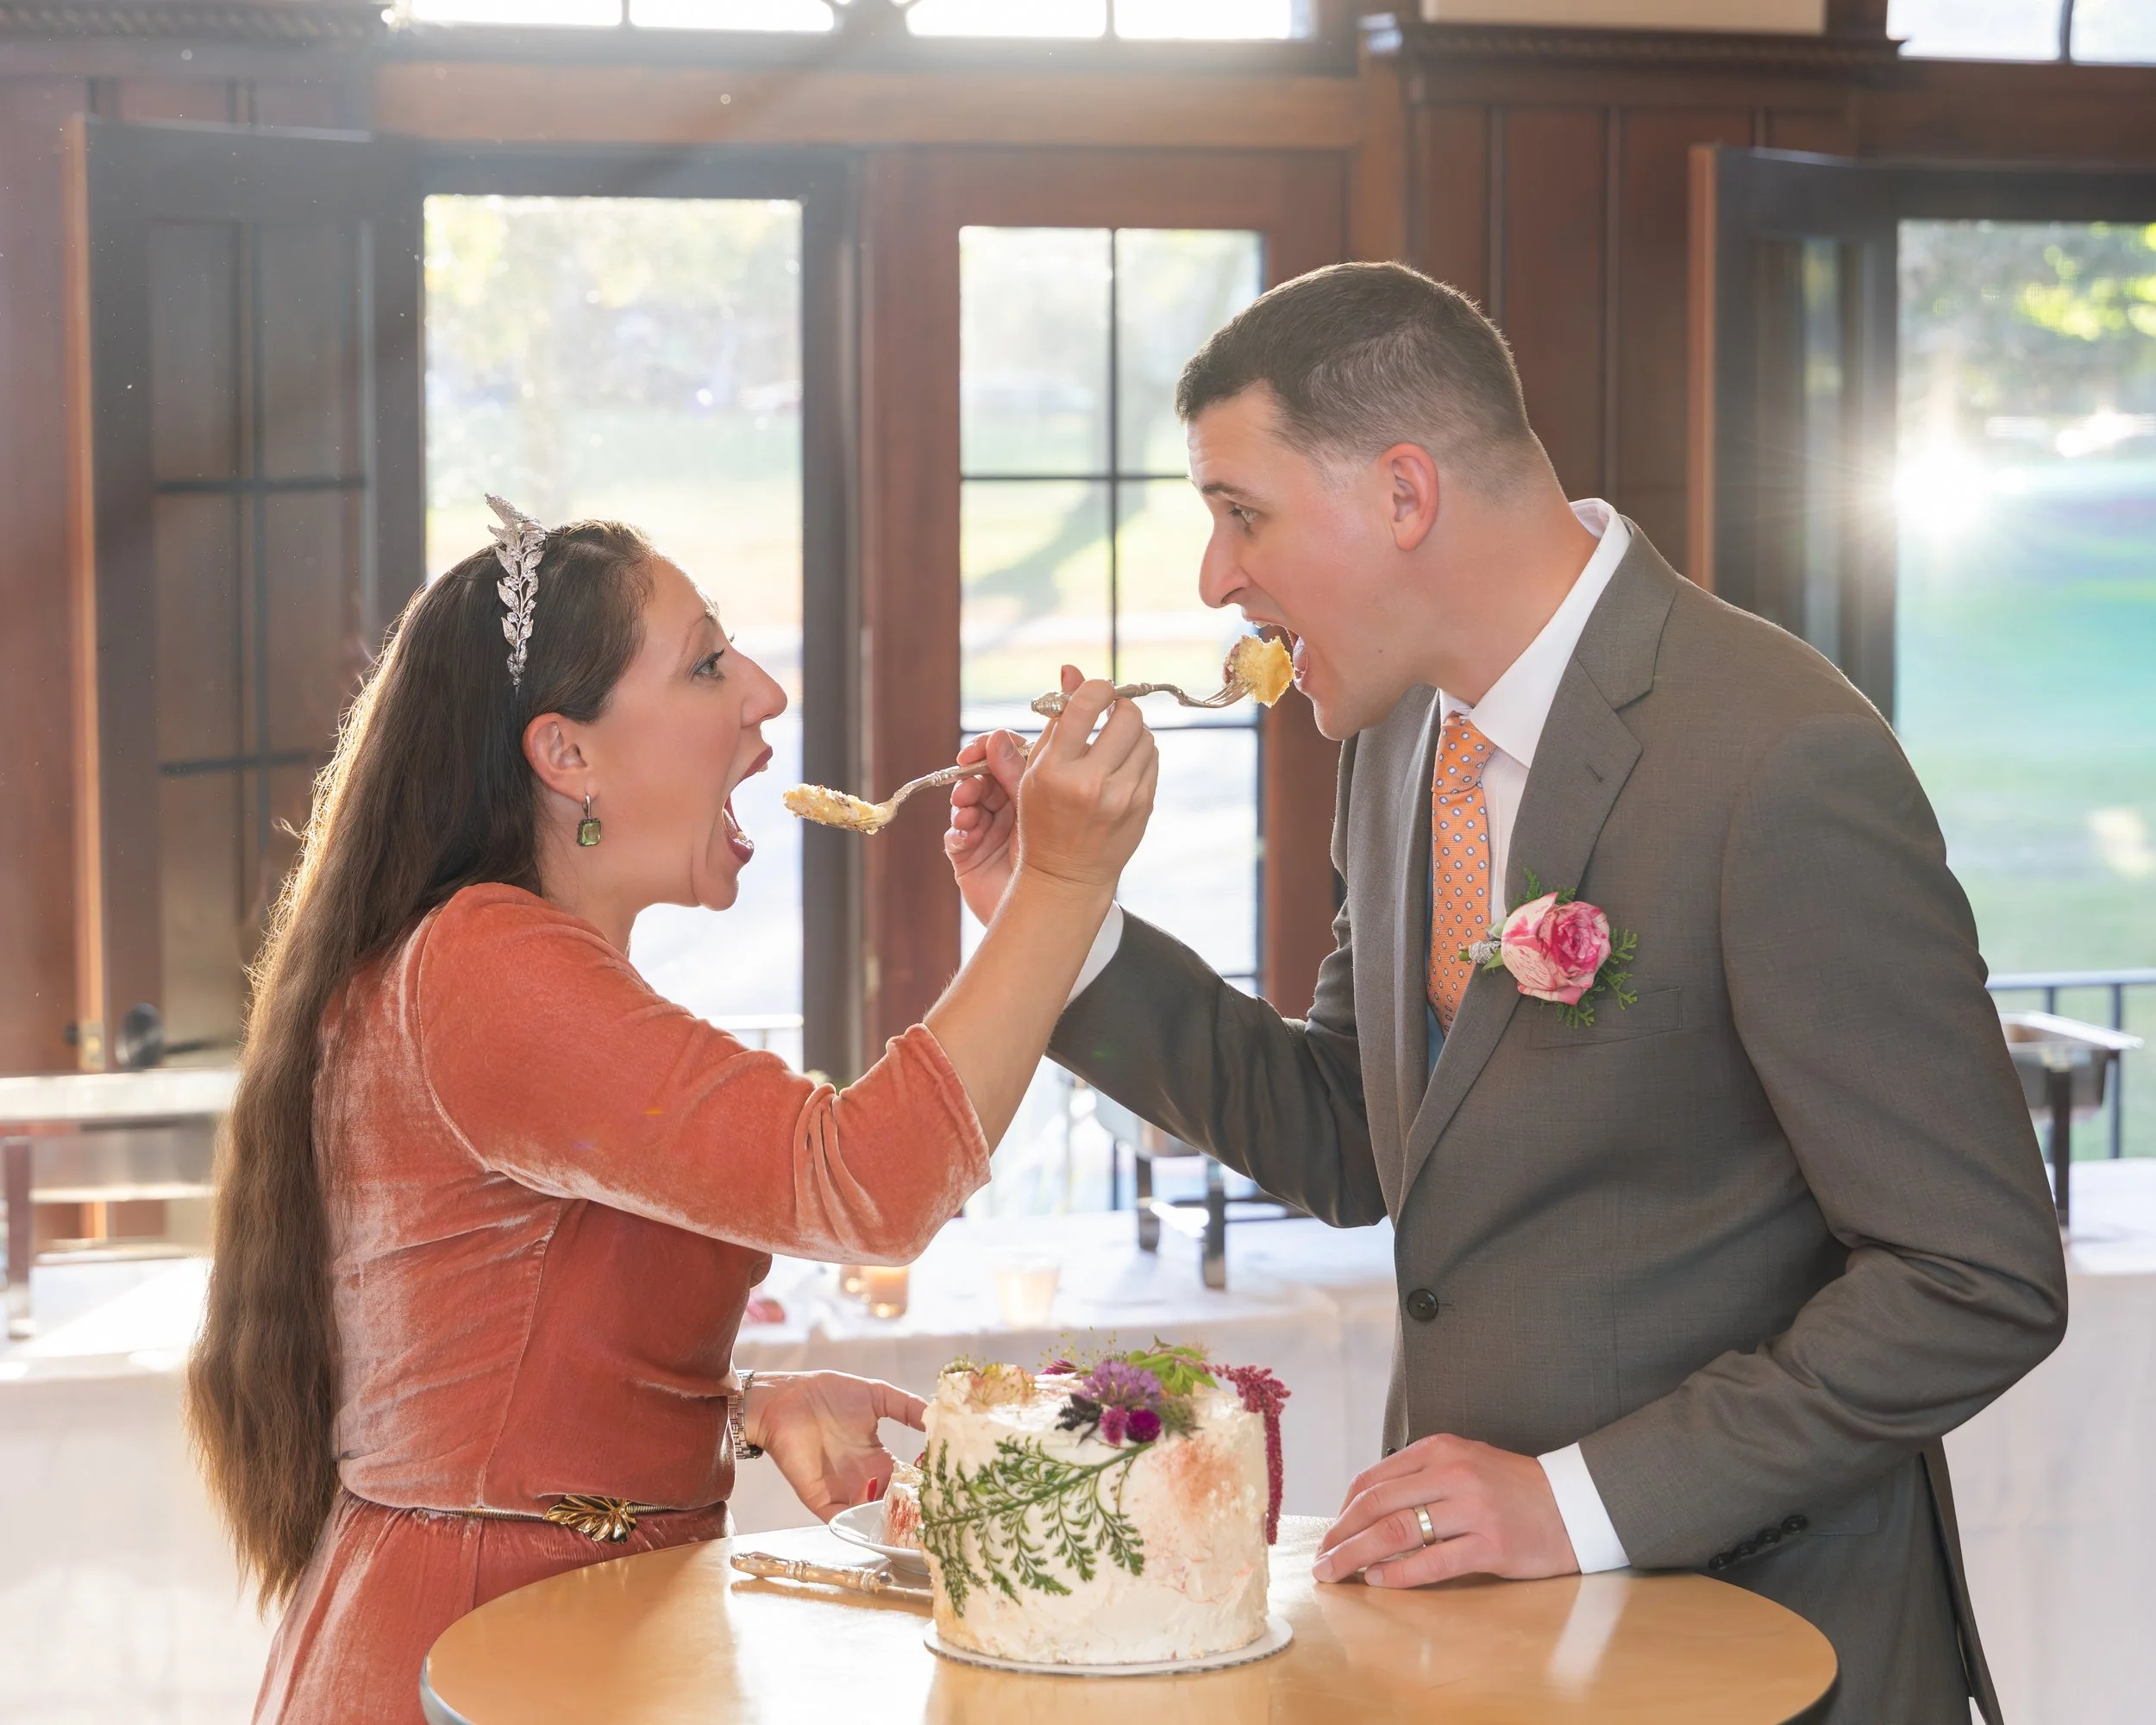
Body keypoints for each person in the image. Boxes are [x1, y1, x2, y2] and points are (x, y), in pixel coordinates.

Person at [947, 264, 2067, 1723]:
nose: (1217, 578)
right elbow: (1356, 1138)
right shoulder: (1397, 736)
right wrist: (1058, 922)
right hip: (1489, 1660)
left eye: (1242, 513)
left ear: (1404, 494)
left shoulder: (1781, 759)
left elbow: (1976, 1279)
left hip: (1774, 1651)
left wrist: (1577, 1501)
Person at [188, 501, 1153, 1725]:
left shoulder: (497, 964)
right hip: (479, 1659)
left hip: (565, 1636)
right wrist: (1061, 883)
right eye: (705, 664)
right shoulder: (487, 968)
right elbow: (865, 1181)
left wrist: (729, 1408)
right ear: (566, 755)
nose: (765, 694)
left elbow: (478, 1340)